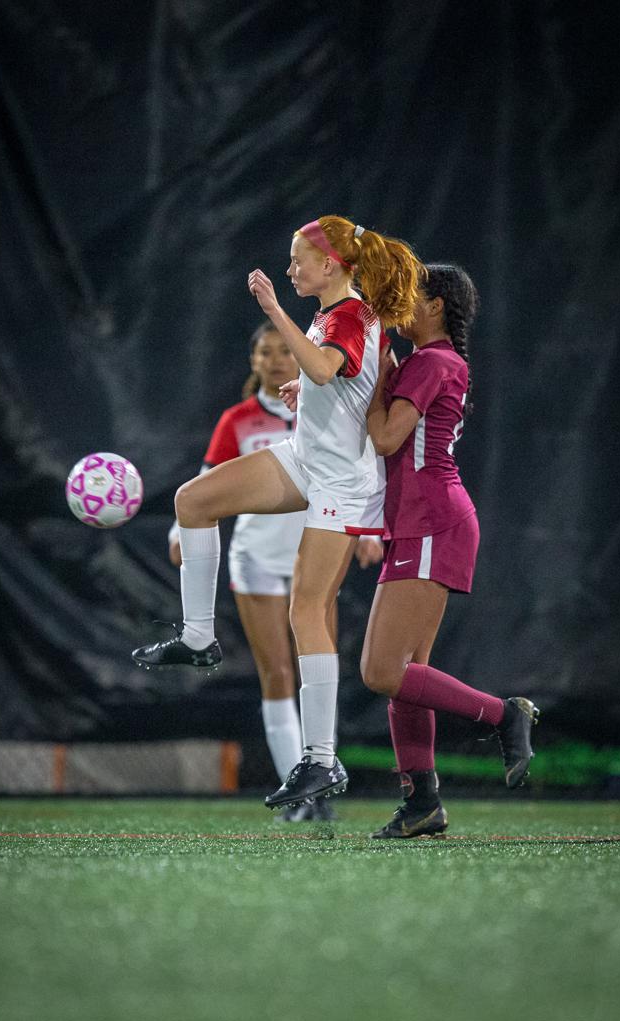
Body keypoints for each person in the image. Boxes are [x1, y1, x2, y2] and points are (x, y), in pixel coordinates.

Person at [133, 215, 423, 811]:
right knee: (194, 499)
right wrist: (310, 394)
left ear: (332, 265)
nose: (290, 270)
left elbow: (322, 365)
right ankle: (197, 638)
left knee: (307, 609)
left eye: (298, 260)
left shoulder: (345, 312)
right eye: (289, 263)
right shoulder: (339, 314)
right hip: (305, 456)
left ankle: (320, 760)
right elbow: (352, 378)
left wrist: (274, 310)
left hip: (340, 478)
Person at [167, 321, 380, 821]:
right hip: (258, 557)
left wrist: (369, 529)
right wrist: (180, 535)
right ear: (254, 361)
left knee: (315, 659)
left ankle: (319, 767)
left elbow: (355, 464)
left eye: (288, 349)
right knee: (278, 673)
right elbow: (205, 487)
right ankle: (303, 794)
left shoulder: (323, 402)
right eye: (266, 352)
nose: (279, 359)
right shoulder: (238, 420)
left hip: (320, 543)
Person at [361, 264, 540, 839]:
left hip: (432, 521)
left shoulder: (434, 361)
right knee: (404, 674)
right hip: (421, 521)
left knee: (382, 671)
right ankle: (423, 805)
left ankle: (503, 715)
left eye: (410, 296)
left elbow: (386, 437)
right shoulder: (426, 361)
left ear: (436, 306)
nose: (398, 304)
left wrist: (375, 385)